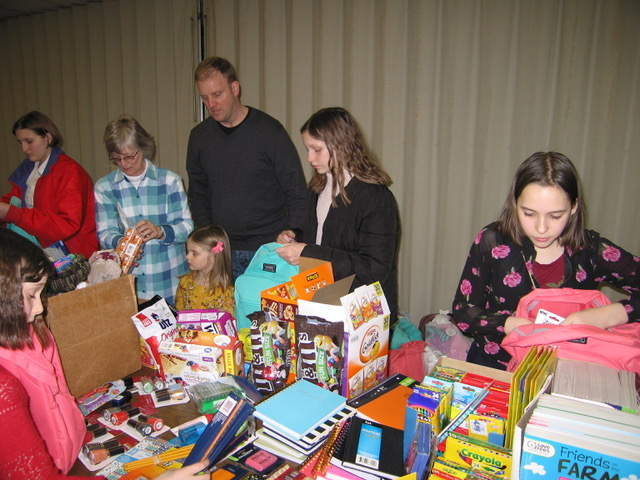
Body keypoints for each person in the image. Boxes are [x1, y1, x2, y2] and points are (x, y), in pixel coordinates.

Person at [451, 152, 640, 370]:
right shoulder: (493, 241)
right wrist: (509, 324)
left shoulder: (591, 251)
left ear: (574, 208)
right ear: (515, 204)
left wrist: (611, 314)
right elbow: (463, 310)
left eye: (556, 216)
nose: (541, 228)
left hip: (566, 370)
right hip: (495, 365)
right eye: (529, 214)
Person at [186, 56, 307, 279]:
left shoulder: (269, 132)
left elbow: (296, 191)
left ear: (234, 88)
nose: (211, 104)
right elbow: (198, 193)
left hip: (267, 249)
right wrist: (207, 240)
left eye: (217, 94)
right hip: (220, 252)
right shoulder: (199, 138)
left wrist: (294, 231)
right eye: (204, 98)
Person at [275, 107, 400, 321]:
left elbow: (375, 268)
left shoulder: (376, 197)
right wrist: (294, 237)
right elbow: (321, 237)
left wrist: (308, 252)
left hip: (363, 314)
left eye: (316, 149)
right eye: (307, 149)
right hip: (324, 302)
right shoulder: (317, 188)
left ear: (340, 146)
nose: (309, 158)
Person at [95, 114, 193, 305]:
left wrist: (160, 231)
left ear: (143, 147)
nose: (124, 164)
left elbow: (187, 228)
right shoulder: (104, 187)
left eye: (130, 156)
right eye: (117, 158)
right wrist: (122, 242)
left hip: (171, 281)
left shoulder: (170, 181)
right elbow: (105, 233)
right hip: (130, 283)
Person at [0, 111, 98, 259]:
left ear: (48, 138)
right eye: (20, 142)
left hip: (70, 258)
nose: (24, 149)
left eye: (29, 141)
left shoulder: (70, 172)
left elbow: (65, 224)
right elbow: (12, 201)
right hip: (40, 253)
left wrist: (13, 214)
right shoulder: (28, 172)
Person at [175, 225, 235, 315]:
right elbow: (179, 313)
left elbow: (229, 322)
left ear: (213, 258)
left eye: (194, 253)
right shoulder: (185, 282)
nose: (187, 256)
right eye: (188, 251)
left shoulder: (227, 291)